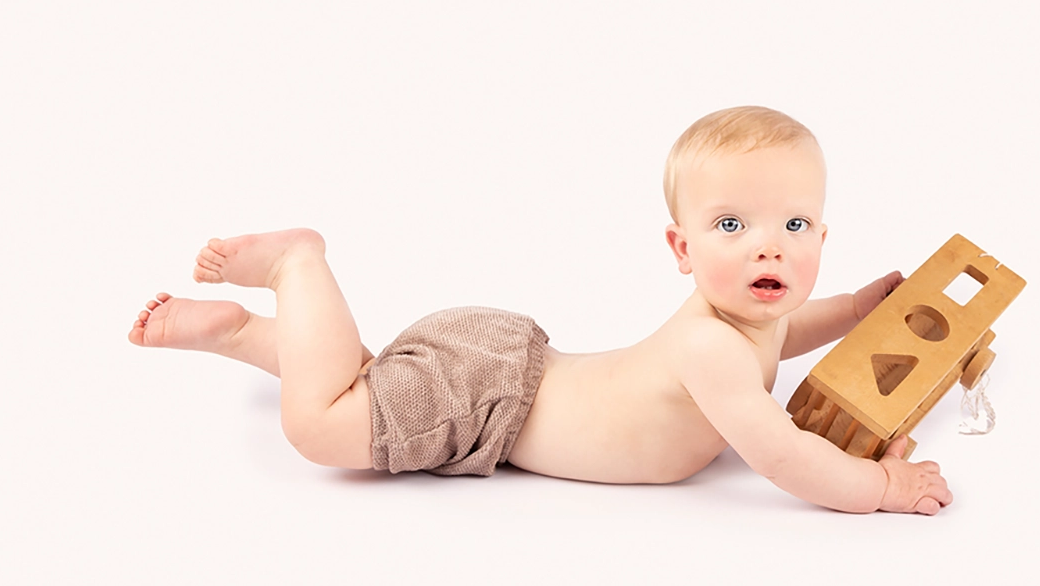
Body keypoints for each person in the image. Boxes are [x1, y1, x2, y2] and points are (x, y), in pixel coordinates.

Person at [129, 106, 952, 514]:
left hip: (501, 365)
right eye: (731, 225)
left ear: (822, 235)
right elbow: (782, 456)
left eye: (794, 225)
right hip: (491, 403)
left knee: (366, 383)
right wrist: (880, 485)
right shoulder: (711, 349)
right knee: (320, 428)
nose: (768, 249)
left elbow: (788, 334)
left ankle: (242, 335)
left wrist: (855, 308)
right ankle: (295, 266)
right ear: (682, 250)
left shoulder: (746, 325)